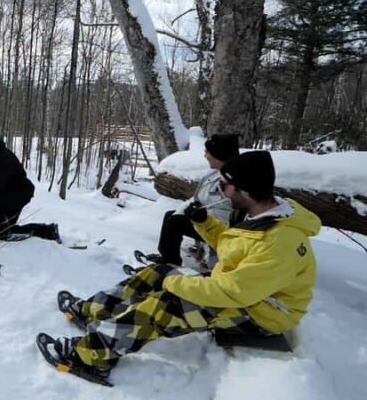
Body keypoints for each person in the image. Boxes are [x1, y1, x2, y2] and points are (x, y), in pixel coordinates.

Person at [40, 151, 320, 382]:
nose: (220, 190)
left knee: (167, 304)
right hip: (247, 291)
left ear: (244, 190)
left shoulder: (280, 241)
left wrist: (174, 284)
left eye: (225, 185)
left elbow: (234, 292)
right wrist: (203, 221)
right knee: (159, 272)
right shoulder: (266, 215)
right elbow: (235, 250)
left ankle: (92, 357)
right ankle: (94, 311)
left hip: (261, 314)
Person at [144, 134, 244, 266]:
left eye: (207, 152)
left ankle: (170, 263)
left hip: (221, 229)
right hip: (207, 222)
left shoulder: (234, 180)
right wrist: (182, 212)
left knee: (175, 222)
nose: (205, 156)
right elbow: (195, 199)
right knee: (171, 216)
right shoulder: (211, 176)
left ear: (218, 155)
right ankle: (167, 258)